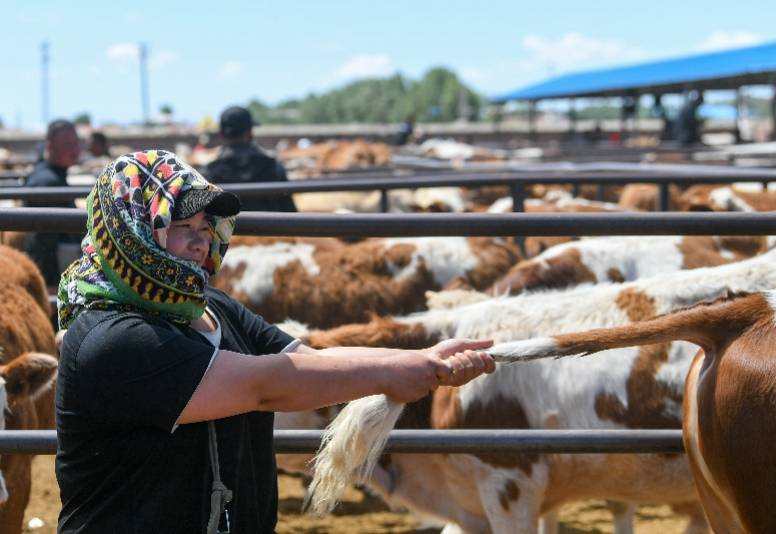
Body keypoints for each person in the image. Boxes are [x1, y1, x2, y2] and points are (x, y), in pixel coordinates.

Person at [55, 150, 495, 534]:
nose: (200, 241)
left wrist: (420, 359)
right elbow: (265, 384)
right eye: (179, 226)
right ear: (129, 230)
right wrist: (392, 374)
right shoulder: (112, 339)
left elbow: (307, 358)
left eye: (205, 225)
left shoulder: (212, 308)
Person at [202, 106, 297, 212]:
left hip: (226, 229)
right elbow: (289, 210)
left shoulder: (208, 173)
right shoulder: (273, 168)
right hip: (268, 228)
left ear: (221, 134)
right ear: (249, 132)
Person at [24, 119, 82, 286]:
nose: (75, 149)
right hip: (53, 276)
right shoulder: (46, 182)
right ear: (50, 146)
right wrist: (48, 283)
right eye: (67, 144)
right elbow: (43, 243)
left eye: (76, 143)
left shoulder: (52, 176)